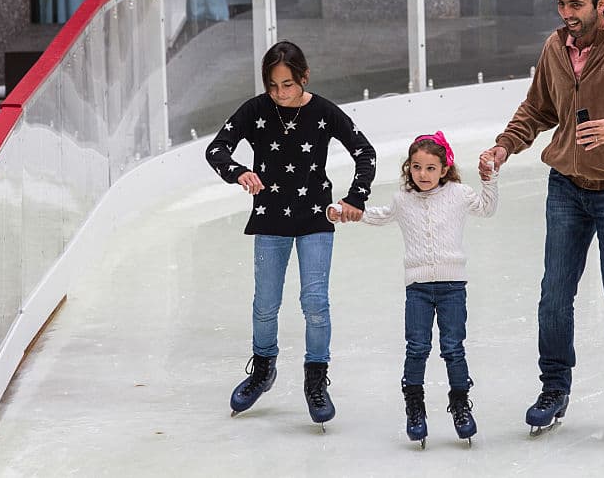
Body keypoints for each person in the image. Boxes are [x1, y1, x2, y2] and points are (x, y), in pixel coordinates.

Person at [478, 0, 604, 440]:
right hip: (566, 187)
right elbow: (537, 108)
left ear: (602, 4)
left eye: (576, 4)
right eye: (561, 3)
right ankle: (554, 388)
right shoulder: (554, 48)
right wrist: (505, 145)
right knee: (554, 296)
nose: (566, 12)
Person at [205, 40, 376, 426]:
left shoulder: (323, 112)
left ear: (304, 77)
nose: (280, 94)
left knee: (315, 302)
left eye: (287, 84)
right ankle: (263, 369)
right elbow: (216, 149)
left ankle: (316, 378)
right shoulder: (255, 110)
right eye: (272, 86)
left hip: (316, 217)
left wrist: (356, 198)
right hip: (270, 220)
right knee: (265, 303)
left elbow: (365, 153)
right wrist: (238, 173)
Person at [339, 132, 498, 446]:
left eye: (430, 168)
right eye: (416, 167)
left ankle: (460, 404)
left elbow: (487, 208)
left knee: (453, 348)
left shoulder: (458, 193)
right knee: (417, 348)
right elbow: (378, 216)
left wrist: (489, 177)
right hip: (418, 290)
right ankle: (415, 406)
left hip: (453, 287)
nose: (422, 174)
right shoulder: (403, 200)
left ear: (444, 168)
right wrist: (348, 212)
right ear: (408, 169)